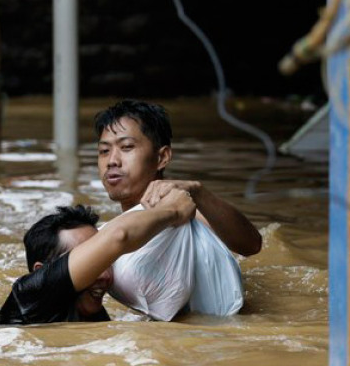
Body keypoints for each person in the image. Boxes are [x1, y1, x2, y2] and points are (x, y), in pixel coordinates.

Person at [0, 189, 196, 325]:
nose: (105, 275)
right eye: (94, 259)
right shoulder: (28, 295)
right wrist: (174, 211)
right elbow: (119, 236)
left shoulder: (93, 317)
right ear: (42, 271)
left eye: (107, 262)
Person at [94, 100, 262, 256]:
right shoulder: (109, 232)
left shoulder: (188, 215)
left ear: (162, 158)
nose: (112, 161)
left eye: (126, 147)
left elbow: (252, 246)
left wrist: (198, 192)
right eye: (104, 151)